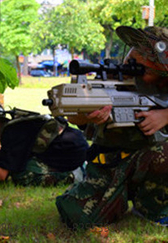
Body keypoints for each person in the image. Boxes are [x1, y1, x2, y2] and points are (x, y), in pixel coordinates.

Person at [56, 25, 168, 228]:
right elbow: (77, 117)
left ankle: (153, 207)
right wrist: (84, 115)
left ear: (162, 74)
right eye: (130, 60)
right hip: (110, 166)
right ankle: (87, 181)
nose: (129, 68)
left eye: (143, 68)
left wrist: (165, 115)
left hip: (149, 164)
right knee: (79, 219)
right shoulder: (107, 82)